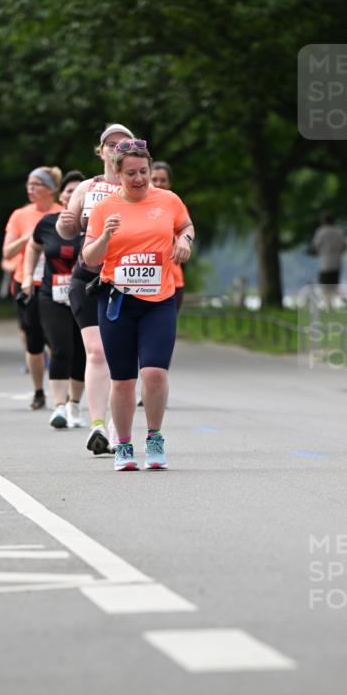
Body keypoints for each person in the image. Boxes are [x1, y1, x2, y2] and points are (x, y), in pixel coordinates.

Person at [83, 140, 194, 471]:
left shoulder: (169, 200)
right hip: (118, 301)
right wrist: (104, 237)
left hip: (159, 300)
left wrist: (184, 240)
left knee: (155, 373)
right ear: (117, 173)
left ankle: (155, 438)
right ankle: (124, 446)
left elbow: (185, 225)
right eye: (130, 173)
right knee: (123, 379)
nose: (139, 179)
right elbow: (88, 258)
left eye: (143, 172)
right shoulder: (104, 208)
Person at [57, 124, 134, 455]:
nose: (116, 148)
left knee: (122, 354)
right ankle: (98, 425)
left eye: (123, 144)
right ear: (100, 151)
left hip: (128, 281)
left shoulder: (138, 186)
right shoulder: (87, 187)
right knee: (97, 351)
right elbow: (66, 228)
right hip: (88, 279)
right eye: (110, 144)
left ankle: (119, 425)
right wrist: (65, 223)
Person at [22, 171, 87, 429]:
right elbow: (33, 246)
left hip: (85, 296)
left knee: (82, 351)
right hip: (52, 295)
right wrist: (28, 276)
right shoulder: (48, 223)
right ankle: (59, 407)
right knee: (61, 348)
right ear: (62, 195)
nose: (73, 195)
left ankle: (75, 406)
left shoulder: (95, 224)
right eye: (69, 191)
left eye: (79, 191)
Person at [2, 167, 63, 409]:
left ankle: (62, 391)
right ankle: (39, 391)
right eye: (29, 183)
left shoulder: (64, 213)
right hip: (27, 283)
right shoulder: (19, 215)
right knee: (34, 342)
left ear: (50, 189)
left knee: (59, 341)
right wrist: (28, 237)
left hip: (58, 283)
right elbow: (6, 252)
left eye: (36, 184)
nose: (31, 188)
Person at [151, 161, 186, 309]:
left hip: (172, 279)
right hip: (140, 280)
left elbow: (184, 231)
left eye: (163, 180)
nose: (159, 183)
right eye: (154, 180)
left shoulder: (176, 205)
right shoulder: (134, 205)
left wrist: (183, 242)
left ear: (170, 183)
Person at [309, 212, 347, 307]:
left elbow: (315, 247)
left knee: (325, 285)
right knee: (334, 285)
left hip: (325, 264)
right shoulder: (338, 232)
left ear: (323, 221)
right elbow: (345, 246)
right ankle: (338, 302)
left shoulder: (321, 232)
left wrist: (315, 252)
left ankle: (329, 305)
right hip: (337, 263)